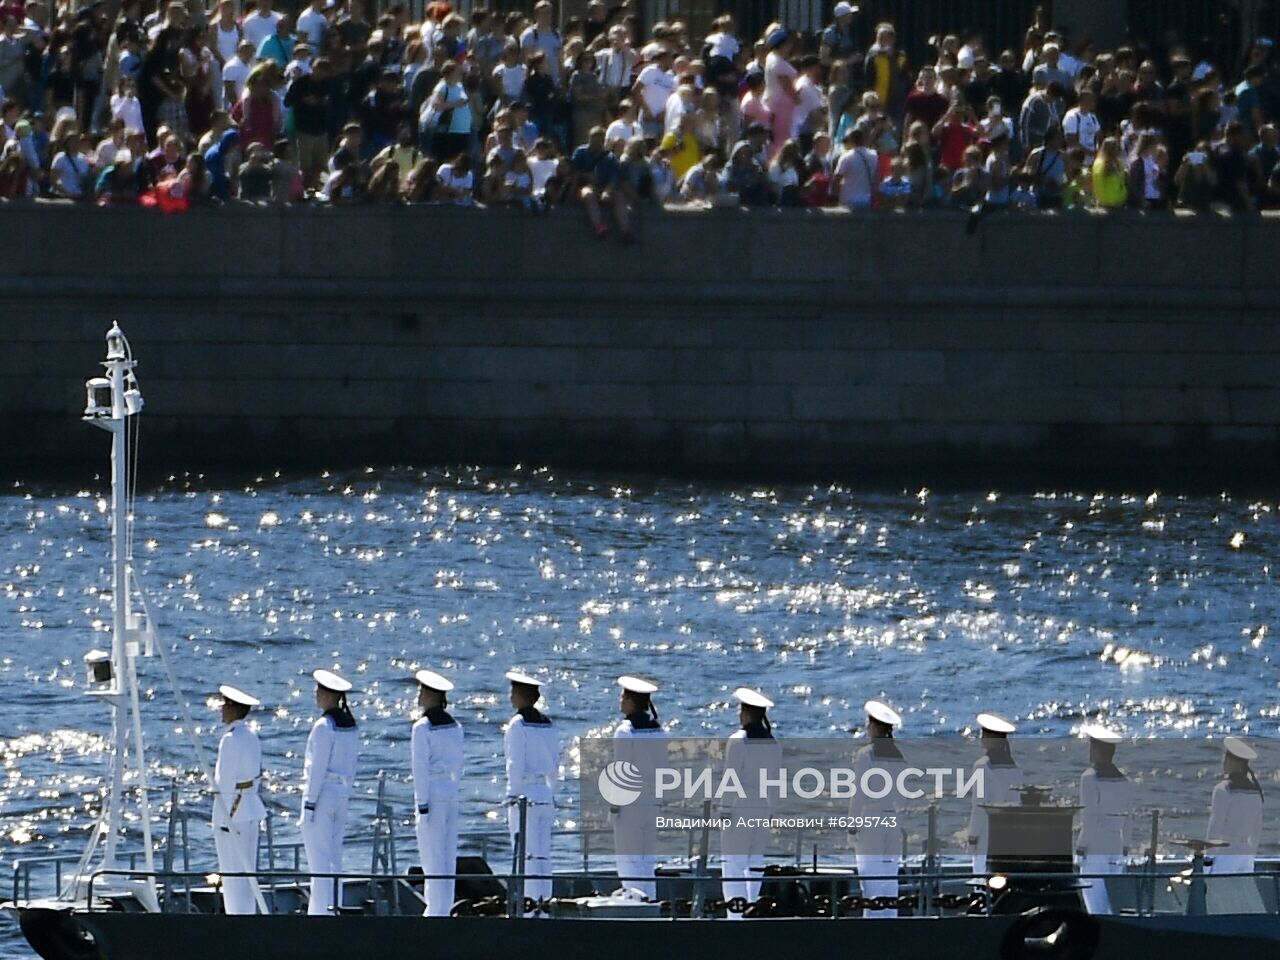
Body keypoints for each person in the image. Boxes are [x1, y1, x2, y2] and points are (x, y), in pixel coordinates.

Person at [301, 669, 359, 916]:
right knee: (334, 855)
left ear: (327, 695)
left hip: (322, 794)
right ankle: (334, 907)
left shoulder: (323, 726)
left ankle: (319, 913)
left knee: (318, 859)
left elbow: (317, 768)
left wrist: (309, 805)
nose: (316, 695)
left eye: (319, 691)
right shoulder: (350, 725)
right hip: (342, 792)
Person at [720, 687, 781, 918]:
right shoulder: (773, 744)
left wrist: (725, 811)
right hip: (763, 807)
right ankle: (753, 907)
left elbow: (731, 778)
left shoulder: (738, 741)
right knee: (755, 863)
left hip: (741, 806)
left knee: (733, 864)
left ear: (748, 713)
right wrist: (771, 811)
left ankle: (735, 915)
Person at [504, 669, 558, 916]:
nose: (511, 696)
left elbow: (514, 763)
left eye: (513, 691)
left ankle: (527, 907)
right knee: (543, 854)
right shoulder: (548, 724)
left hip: (524, 792)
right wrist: (551, 792)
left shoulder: (517, 724)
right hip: (545, 793)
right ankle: (544, 903)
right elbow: (555, 764)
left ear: (521, 695)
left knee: (526, 853)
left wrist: (513, 795)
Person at [411, 669, 464, 917]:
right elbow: (459, 762)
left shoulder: (423, 728)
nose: (420, 695)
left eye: (423, 691)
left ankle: (434, 910)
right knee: (447, 855)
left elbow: (419, 769)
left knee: (432, 857)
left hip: (431, 792)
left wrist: (422, 804)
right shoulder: (455, 726)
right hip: (450, 791)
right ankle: (445, 907)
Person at [611, 676, 667, 900]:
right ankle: (650, 901)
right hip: (652, 799)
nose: (621, 701)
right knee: (646, 858)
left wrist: (615, 806)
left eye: (624, 697)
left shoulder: (625, 731)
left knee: (629, 859)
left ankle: (634, 903)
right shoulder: (659, 731)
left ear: (631, 701)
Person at [213, 684, 265, 915]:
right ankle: (246, 917)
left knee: (233, 877)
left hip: (233, 812)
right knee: (247, 875)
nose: (221, 709)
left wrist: (221, 821)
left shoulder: (230, 740)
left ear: (234, 709)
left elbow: (224, 784)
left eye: (224, 705)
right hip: (251, 807)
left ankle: (236, 919)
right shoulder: (251, 736)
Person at [850, 700, 905, 918]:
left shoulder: (866, 754)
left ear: (875, 726)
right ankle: (890, 923)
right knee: (890, 880)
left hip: (871, 817)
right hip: (892, 818)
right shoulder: (898, 756)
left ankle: (872, 926)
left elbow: (859, 793)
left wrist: (852, 825)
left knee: (871, 882)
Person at [1076, 724, 1133, 916]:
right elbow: (1128, 818)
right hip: (1116, 844)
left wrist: (1081, 846)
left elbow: (1090, 817)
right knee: (1114, 899)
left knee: (1095, 901)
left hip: (1096, 845)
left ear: (1099, 750)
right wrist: (1126, 845)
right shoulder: (1123, 781)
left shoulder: (1089, 778)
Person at [965, 713, 1022, 876]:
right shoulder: (1014, 767)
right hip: (1009, 833)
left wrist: (973, 835)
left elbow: (979, 805)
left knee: (981, 876)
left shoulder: (982, 766)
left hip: (987, 834)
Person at [1205, 737, 1264, 876]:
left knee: (1217, 893)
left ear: (1234, 762)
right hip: (1247, 854)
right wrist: (1252, 854)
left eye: (1227, 758)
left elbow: (1215, 826)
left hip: (1227, 853)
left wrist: (1208, 858)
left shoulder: (1223, 789)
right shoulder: (1255, 791)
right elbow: (1257, 829)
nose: (1224, 762)